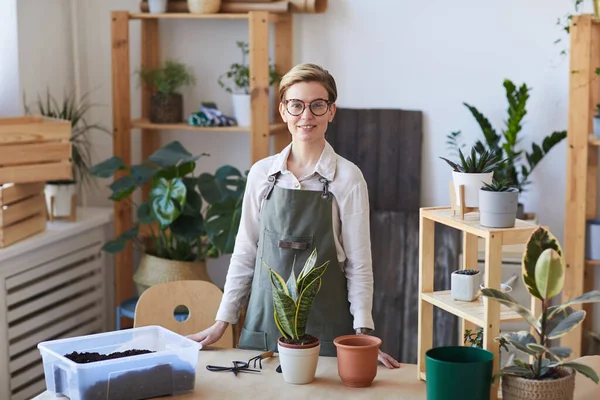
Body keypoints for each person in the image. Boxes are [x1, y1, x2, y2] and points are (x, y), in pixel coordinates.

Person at [188, 63, 400, 369]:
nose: (306, 116)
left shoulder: (348, 178)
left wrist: (362, 335)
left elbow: (359, 264)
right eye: (296, 105)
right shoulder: (262, 174)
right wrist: (221, 323)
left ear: (331, 111)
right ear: (283, 111)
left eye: (317, 105)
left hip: (327, 334)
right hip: (261, 333)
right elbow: (245, 253)